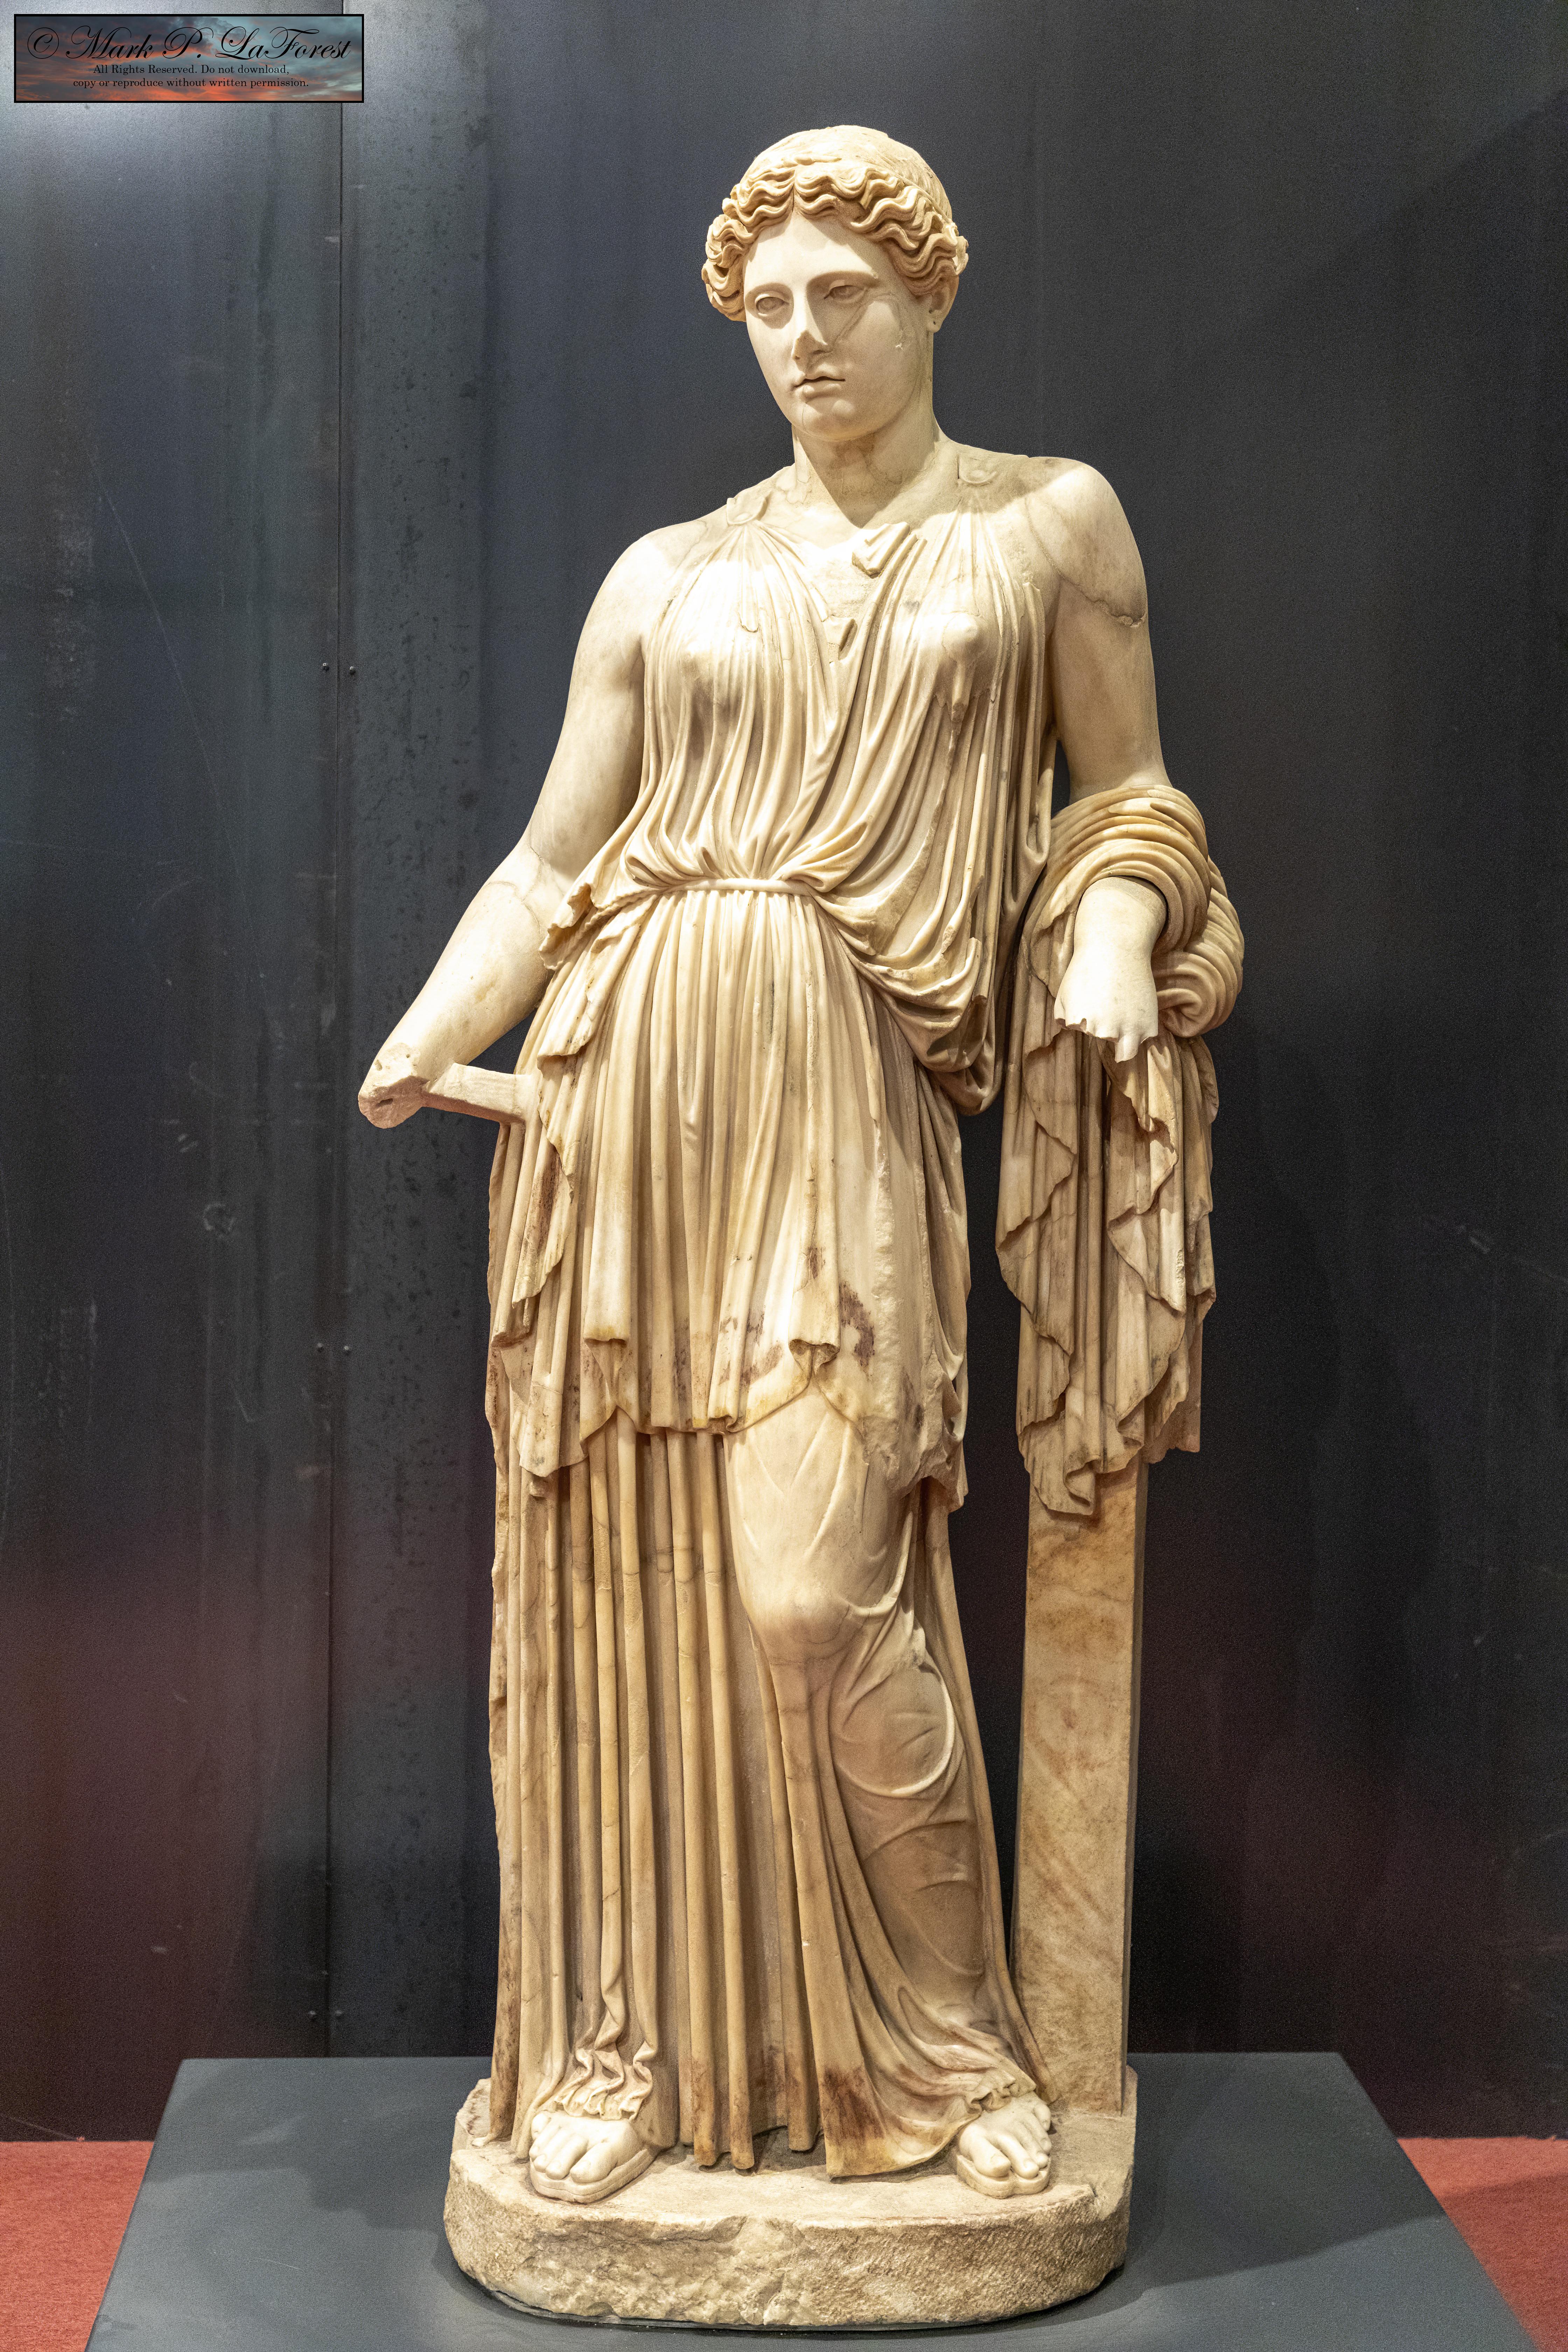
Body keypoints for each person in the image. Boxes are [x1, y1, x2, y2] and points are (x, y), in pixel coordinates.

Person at [360, 124, 1219, 2206]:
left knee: (814, 1592)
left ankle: (951, 2043)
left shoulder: (1045, 526)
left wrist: (1115, 925)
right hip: (624, 1106)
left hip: (845, 1094)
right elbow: (554, 861)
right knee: (620, 1595)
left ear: (930, 295)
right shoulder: (667, 573)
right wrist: (430, 1030)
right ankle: (626, 2054)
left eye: (844, 296)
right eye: (767, 310)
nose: (805, 338)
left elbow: (1133, 800)